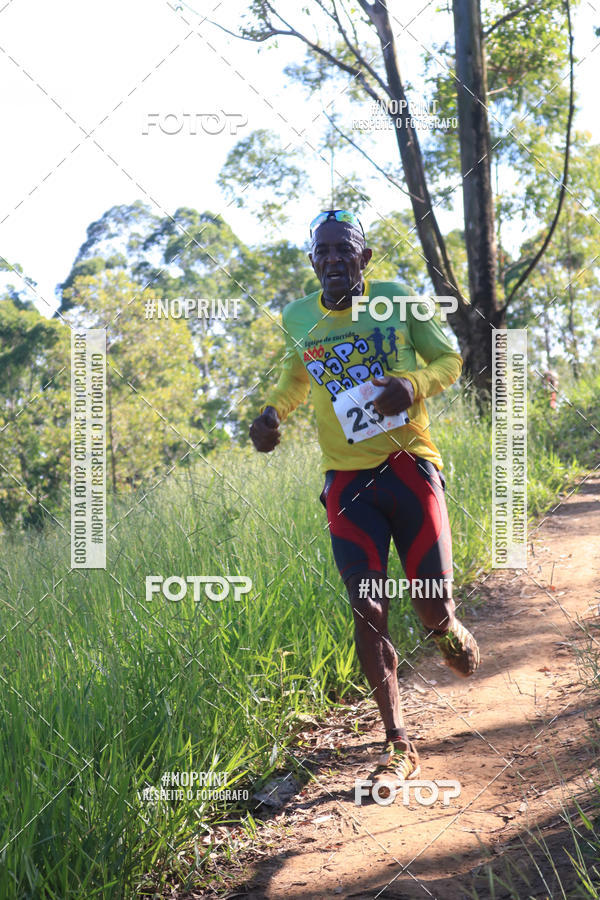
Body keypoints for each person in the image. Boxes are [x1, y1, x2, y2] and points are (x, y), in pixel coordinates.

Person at [249, 209, 480, 793]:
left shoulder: (398, 300)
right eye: (320, 252)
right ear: (312, 262)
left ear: (364, 257)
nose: (331, 260)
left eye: (342, 250)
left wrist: (411, 385)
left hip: (410, 467)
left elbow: (450, 360)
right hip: (349, 483)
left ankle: (446, 628)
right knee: (367, 605)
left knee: (431, 607)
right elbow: (297, 379)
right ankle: (397, 742)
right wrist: (273, 414)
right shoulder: (300, 316)